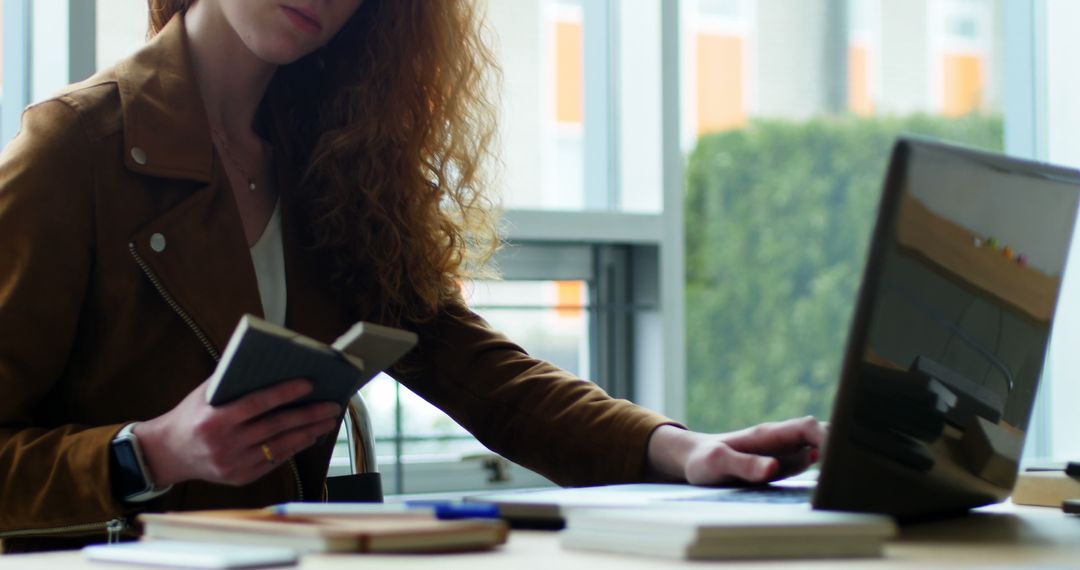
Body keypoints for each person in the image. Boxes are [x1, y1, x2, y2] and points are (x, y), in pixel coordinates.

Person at [0, 0, 825, 553]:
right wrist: (149, 452)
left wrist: (682, 452)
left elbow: (480, 371)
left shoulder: (327, 158)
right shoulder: (73, 151)